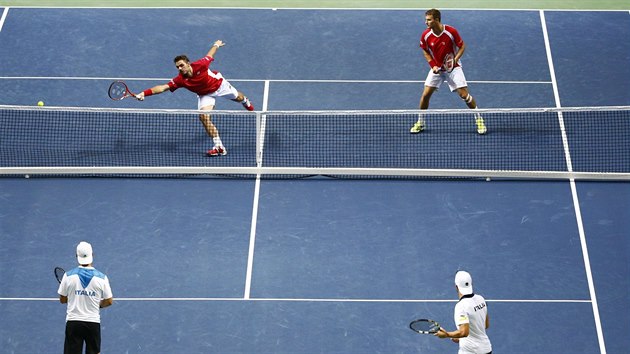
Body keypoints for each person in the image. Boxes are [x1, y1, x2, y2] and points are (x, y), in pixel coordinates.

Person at [135, 39, 255, 157]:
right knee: (203, 117)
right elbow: (162, 88)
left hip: (219, 86)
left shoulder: (201, 65)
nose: (180, 69)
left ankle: (245, 101)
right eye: (177, 67)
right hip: (205, 94)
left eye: (181, 65)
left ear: (188, 63)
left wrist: (216, 45)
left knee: (238, 98)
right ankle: (219, 147)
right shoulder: (180, 80)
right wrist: (143, 93)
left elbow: (210, 55)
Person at [410, 9, 487, 135]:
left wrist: (454, 61)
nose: (426, 22)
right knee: (425, 95)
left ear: (437, 20)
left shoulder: (451, 32)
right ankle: (421, 122)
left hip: (453, 68)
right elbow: (425, 51)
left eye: (429, 20)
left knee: (464, 95)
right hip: (438, 69)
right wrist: (433, 65)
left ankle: (479, 119)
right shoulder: (425, 35)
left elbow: (462, 46)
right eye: (426, 19)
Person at [58, 241, 114, 354]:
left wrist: (74, 297)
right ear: (92, 255)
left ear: (76, 256)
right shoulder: (102, 278)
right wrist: (98, 304)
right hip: (92, 324)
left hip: (73, 323)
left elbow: (63, 300)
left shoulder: (68, 276)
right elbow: (109, 301)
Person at [435, 270, 492, 354]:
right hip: (486, 349)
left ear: (456, 287)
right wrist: (460, 338)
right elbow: (485, 325)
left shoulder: (461, 306)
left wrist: (447, 335)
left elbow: (464, 332)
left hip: (471, 351)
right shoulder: (481, 299)